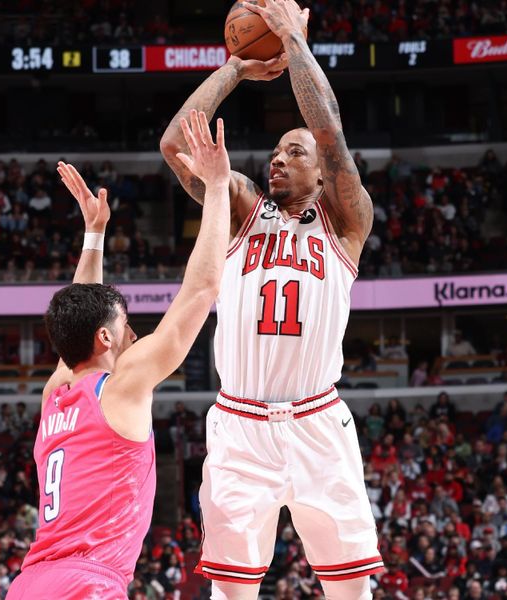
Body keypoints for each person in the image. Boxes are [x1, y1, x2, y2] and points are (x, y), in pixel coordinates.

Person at [160, 2, 383, 598]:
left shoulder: (346, 220)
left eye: (294, 152)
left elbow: (330, 131)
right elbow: (176, 146)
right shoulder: (239, 210)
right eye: (277, 151)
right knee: (230, 592)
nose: (278, 158)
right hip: (240, 423)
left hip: (318, 421)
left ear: (323, 173)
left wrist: (291, 40)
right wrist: (234, 69)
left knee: (351, 591)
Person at [7, 110, 232, 600]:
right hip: (87, 584)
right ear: (106, 340)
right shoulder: (122, 385)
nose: (132, 333)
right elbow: (201, 290)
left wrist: (94, 235)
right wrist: (217, 189)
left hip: (29, 584)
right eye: (124, 326)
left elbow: (77, 316)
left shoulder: (59, 393)